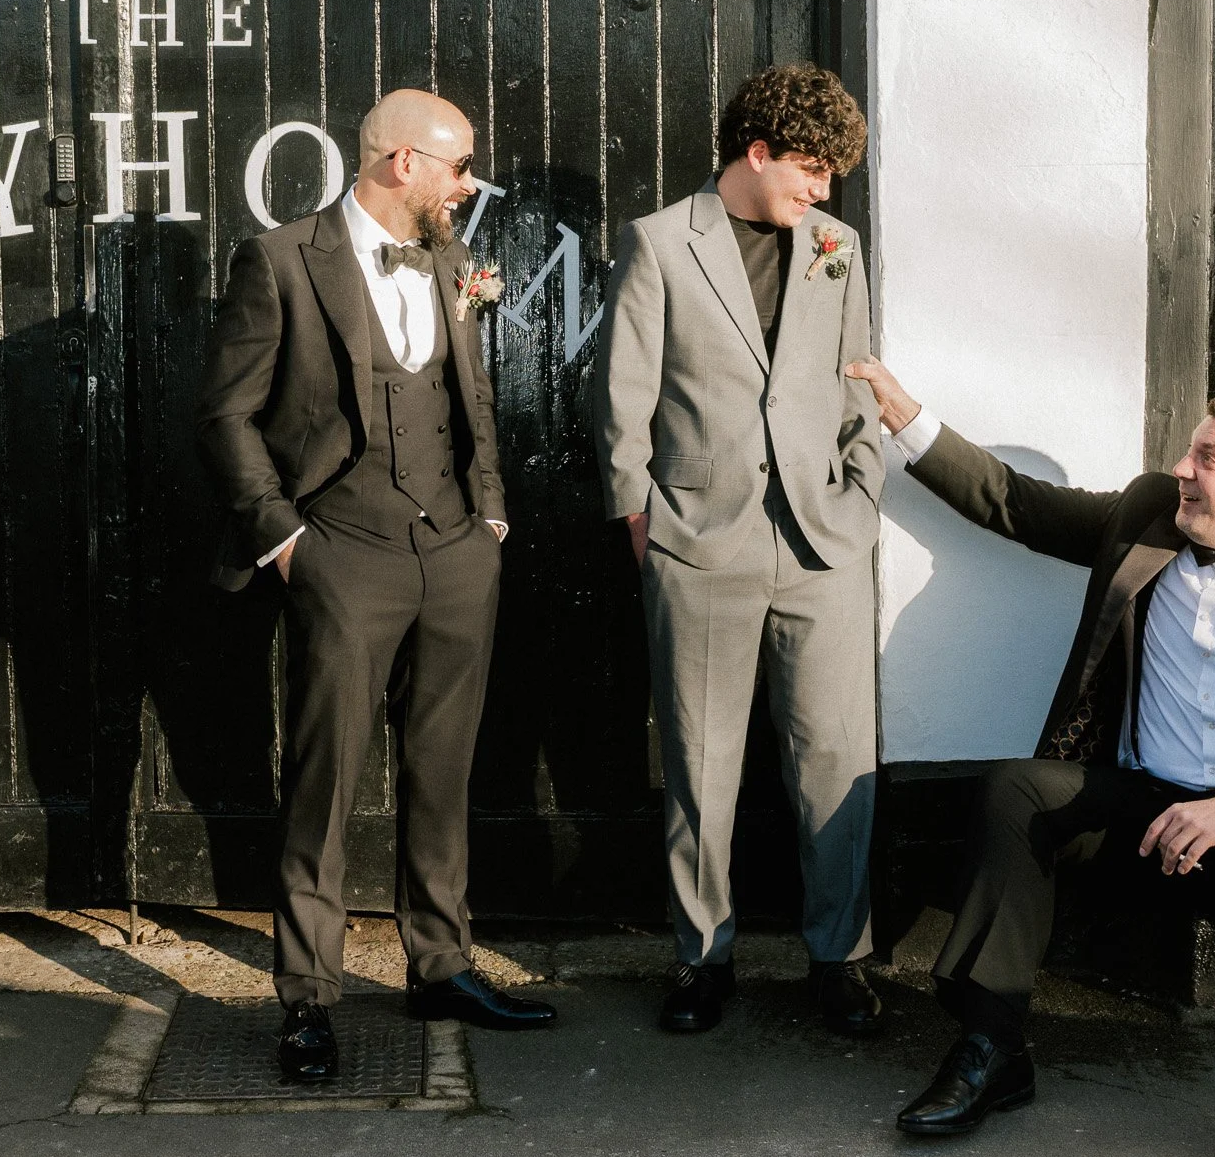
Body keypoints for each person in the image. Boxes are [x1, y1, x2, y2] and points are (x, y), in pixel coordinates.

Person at [847, 362, 1215, 1157]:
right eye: (1188, 454)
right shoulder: (1149, 514)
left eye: (1207, 459)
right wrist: (905, 417)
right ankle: (992, 1048)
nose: (1182, 470)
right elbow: (1016, 503)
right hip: (1145, 817)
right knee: (1016, 790)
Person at [199, 88, 557, 1083]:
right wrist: (284, 542)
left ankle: (440, 963)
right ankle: (308, 997)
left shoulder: (447, 258)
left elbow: (470, 395)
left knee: (443, 772)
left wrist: (487, 517)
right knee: (324, 782)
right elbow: (225, 415)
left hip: (454, 553)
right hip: (339, 551)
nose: (469, 181)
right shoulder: (280, 260)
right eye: (457, 164)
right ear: (401, 163)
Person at [591, 64, 886, 1037]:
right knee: (699, 760)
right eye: (809, 168)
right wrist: (638, 514)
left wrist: (861, 491)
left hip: (822, 542)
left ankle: (839, 960)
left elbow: (854, 386)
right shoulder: (661, 243)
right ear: (754, 153)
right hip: (696, 537)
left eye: (833, 173)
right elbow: (624, 391)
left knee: (834, 757)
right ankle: (699, 957)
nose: (823, 189)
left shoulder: (837, 247)